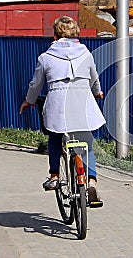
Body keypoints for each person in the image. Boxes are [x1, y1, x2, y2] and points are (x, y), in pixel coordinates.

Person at [19, 16, 105, 203]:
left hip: (58, 104)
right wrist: (98, 92)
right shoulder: (86, 54)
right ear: (76, 33)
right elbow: (94, 79)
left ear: (56, 34)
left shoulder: (46, 57)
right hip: (82, 103)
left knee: (55, 136)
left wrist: (29, 100)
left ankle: (55, 176)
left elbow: (35, 84)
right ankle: (91, 182)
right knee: (86, 141)